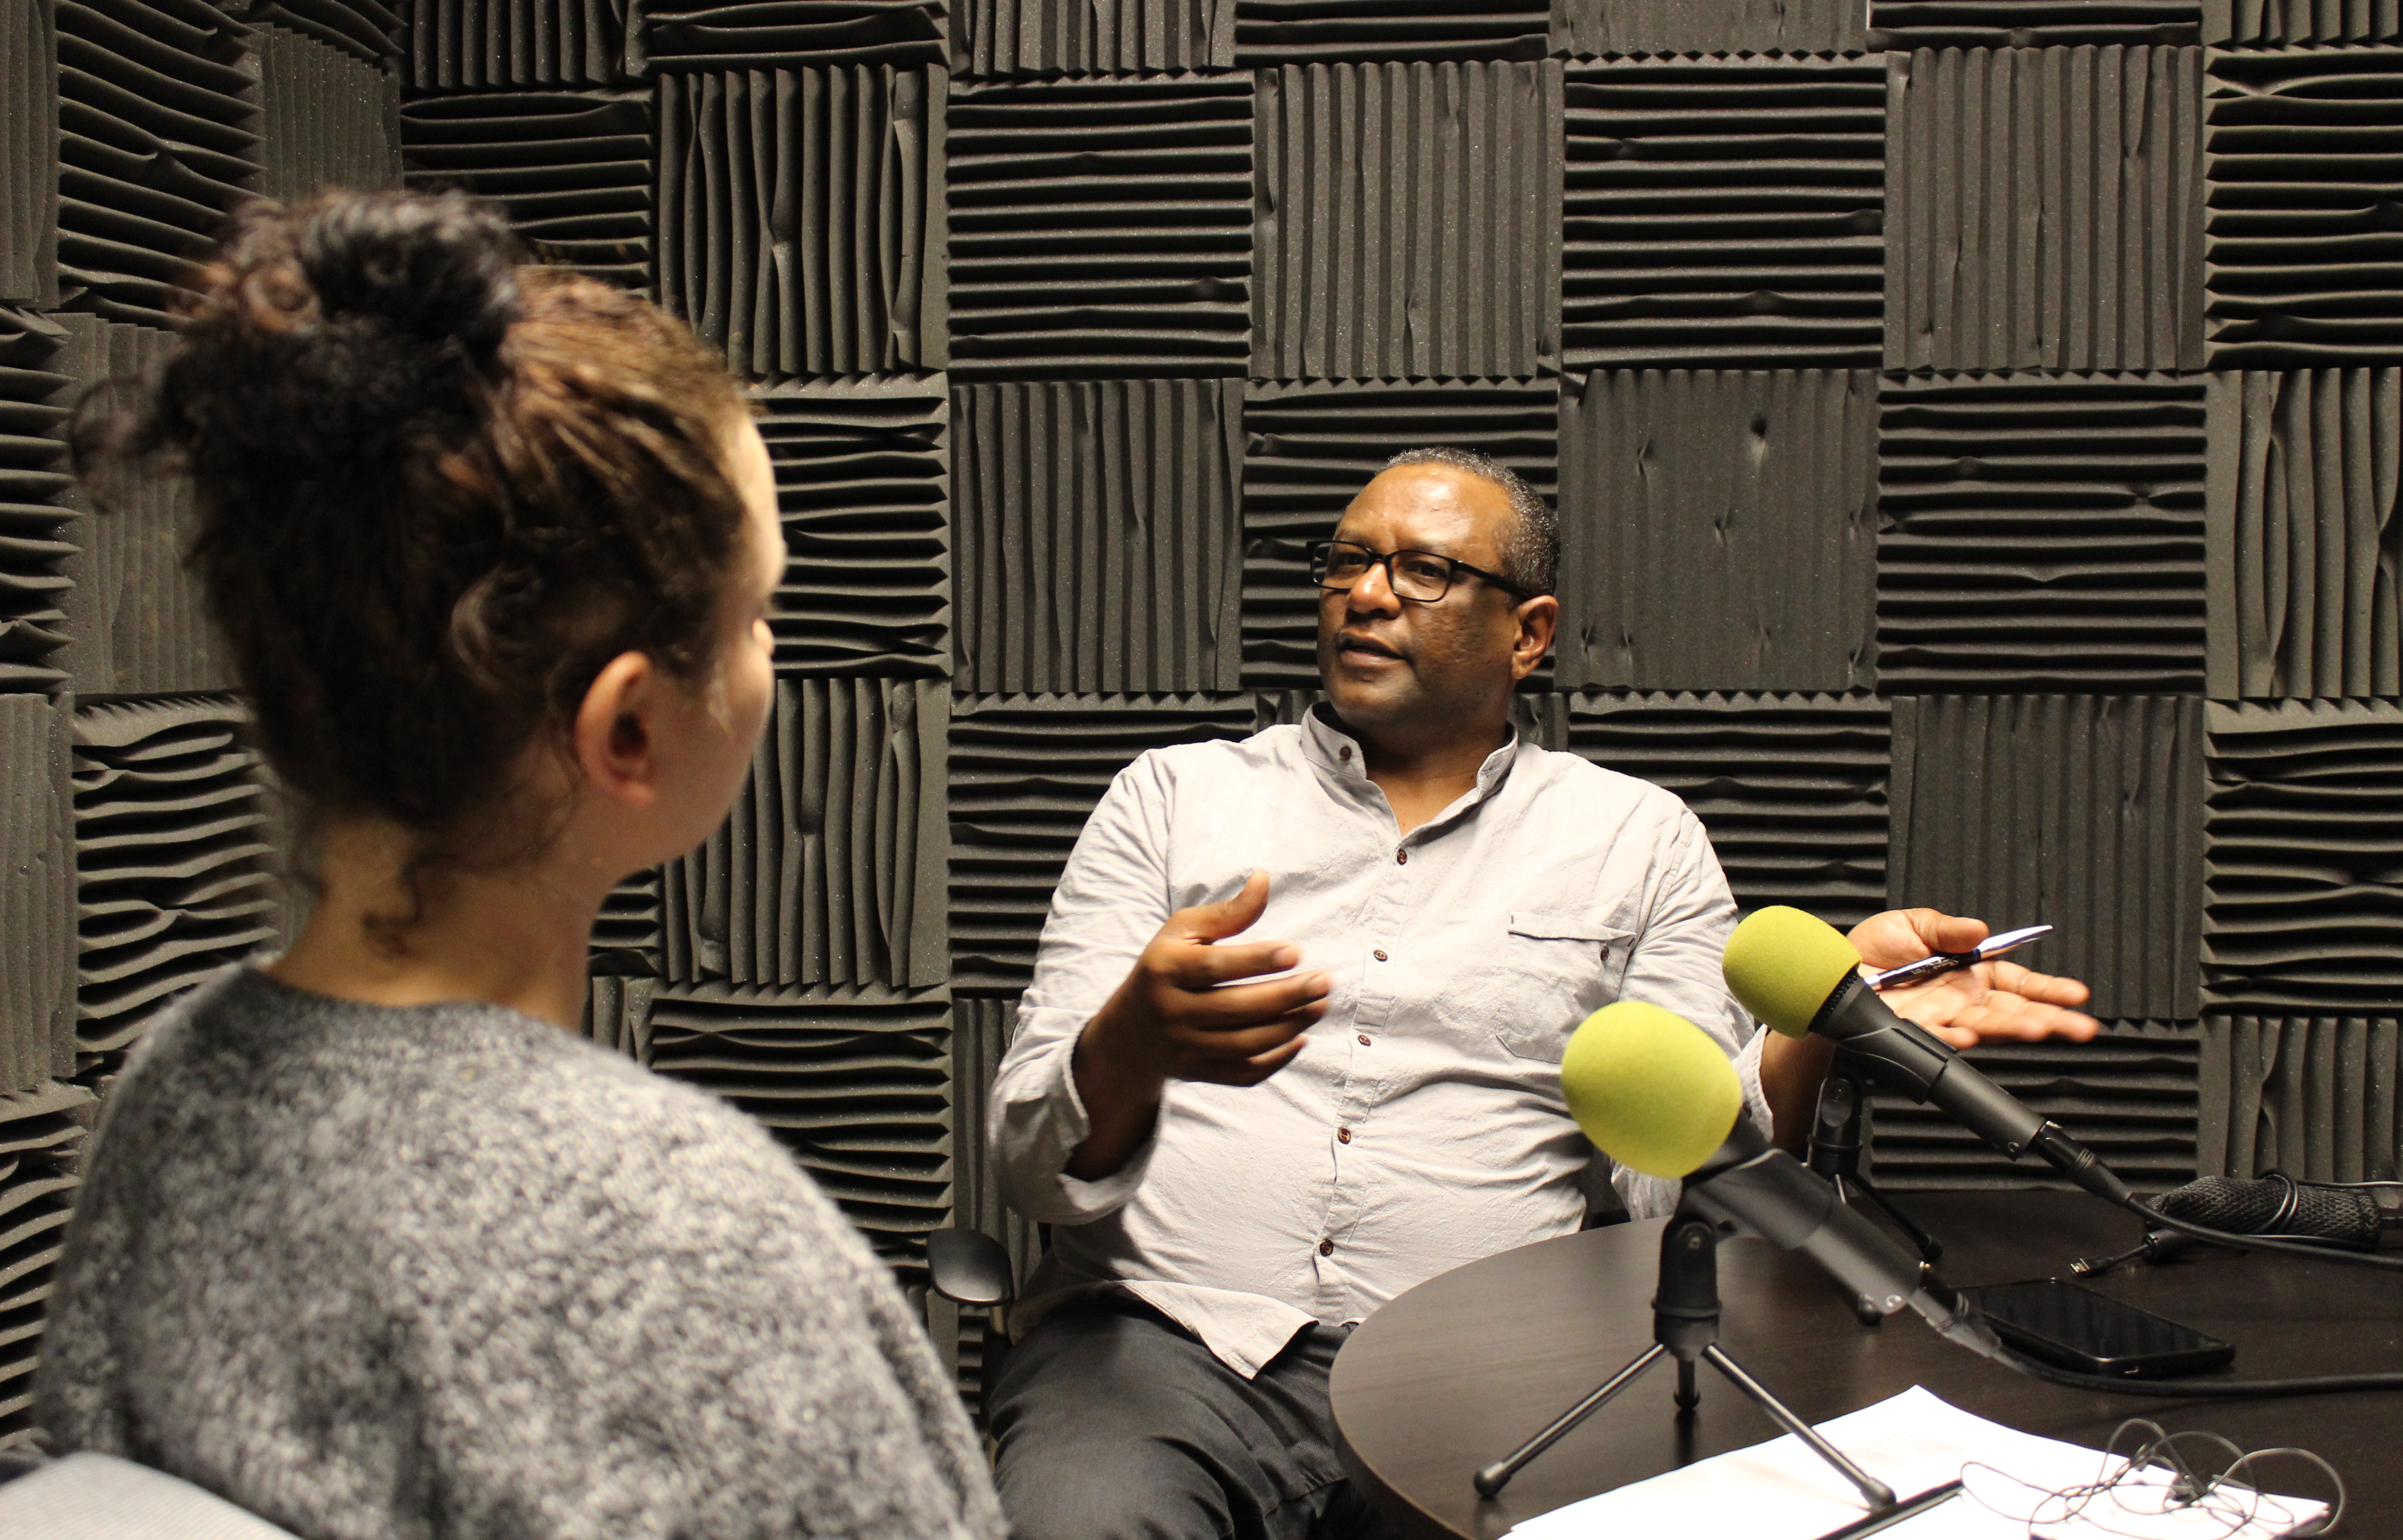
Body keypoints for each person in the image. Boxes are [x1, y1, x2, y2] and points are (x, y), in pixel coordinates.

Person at [35, 192, 1005, 1540]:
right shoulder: (698, 1250)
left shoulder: (170, 1086)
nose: (774, 658)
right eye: (760, 614)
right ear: (628, 730)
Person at [985, 447, 2099, 1540]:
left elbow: (1673, 1181)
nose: (1366, 596)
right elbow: (1029, 1162)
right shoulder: (1171, 798)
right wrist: (1129, 1043)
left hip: (1484, 1372)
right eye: (1346, 562)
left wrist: (1820, 1025)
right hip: (1157, 1353)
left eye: (1422, 571)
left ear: (1530, 634)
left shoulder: (1637, 840)